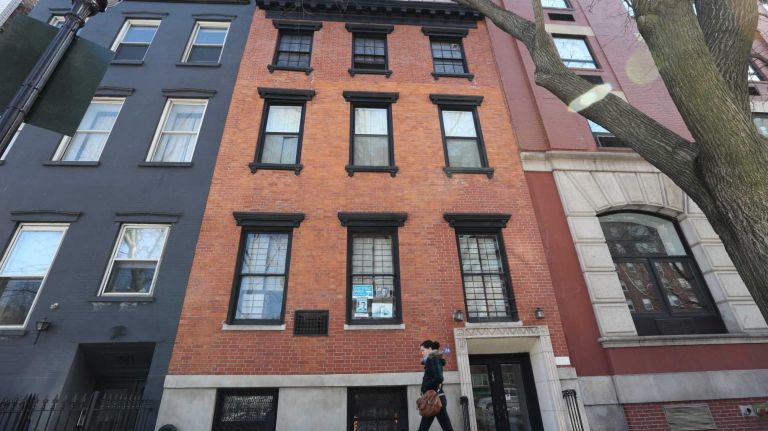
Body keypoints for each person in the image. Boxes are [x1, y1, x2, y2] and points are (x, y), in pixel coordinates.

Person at [418, 340, 455, 431]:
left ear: (430, 349)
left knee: (423, 428)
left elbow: (439, 378)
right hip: (437, 398)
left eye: (423, 350)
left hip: (433, 399)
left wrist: (426, 386)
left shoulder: (433, 358)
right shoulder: (433, 359)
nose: (422, 353)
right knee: (446, 428)